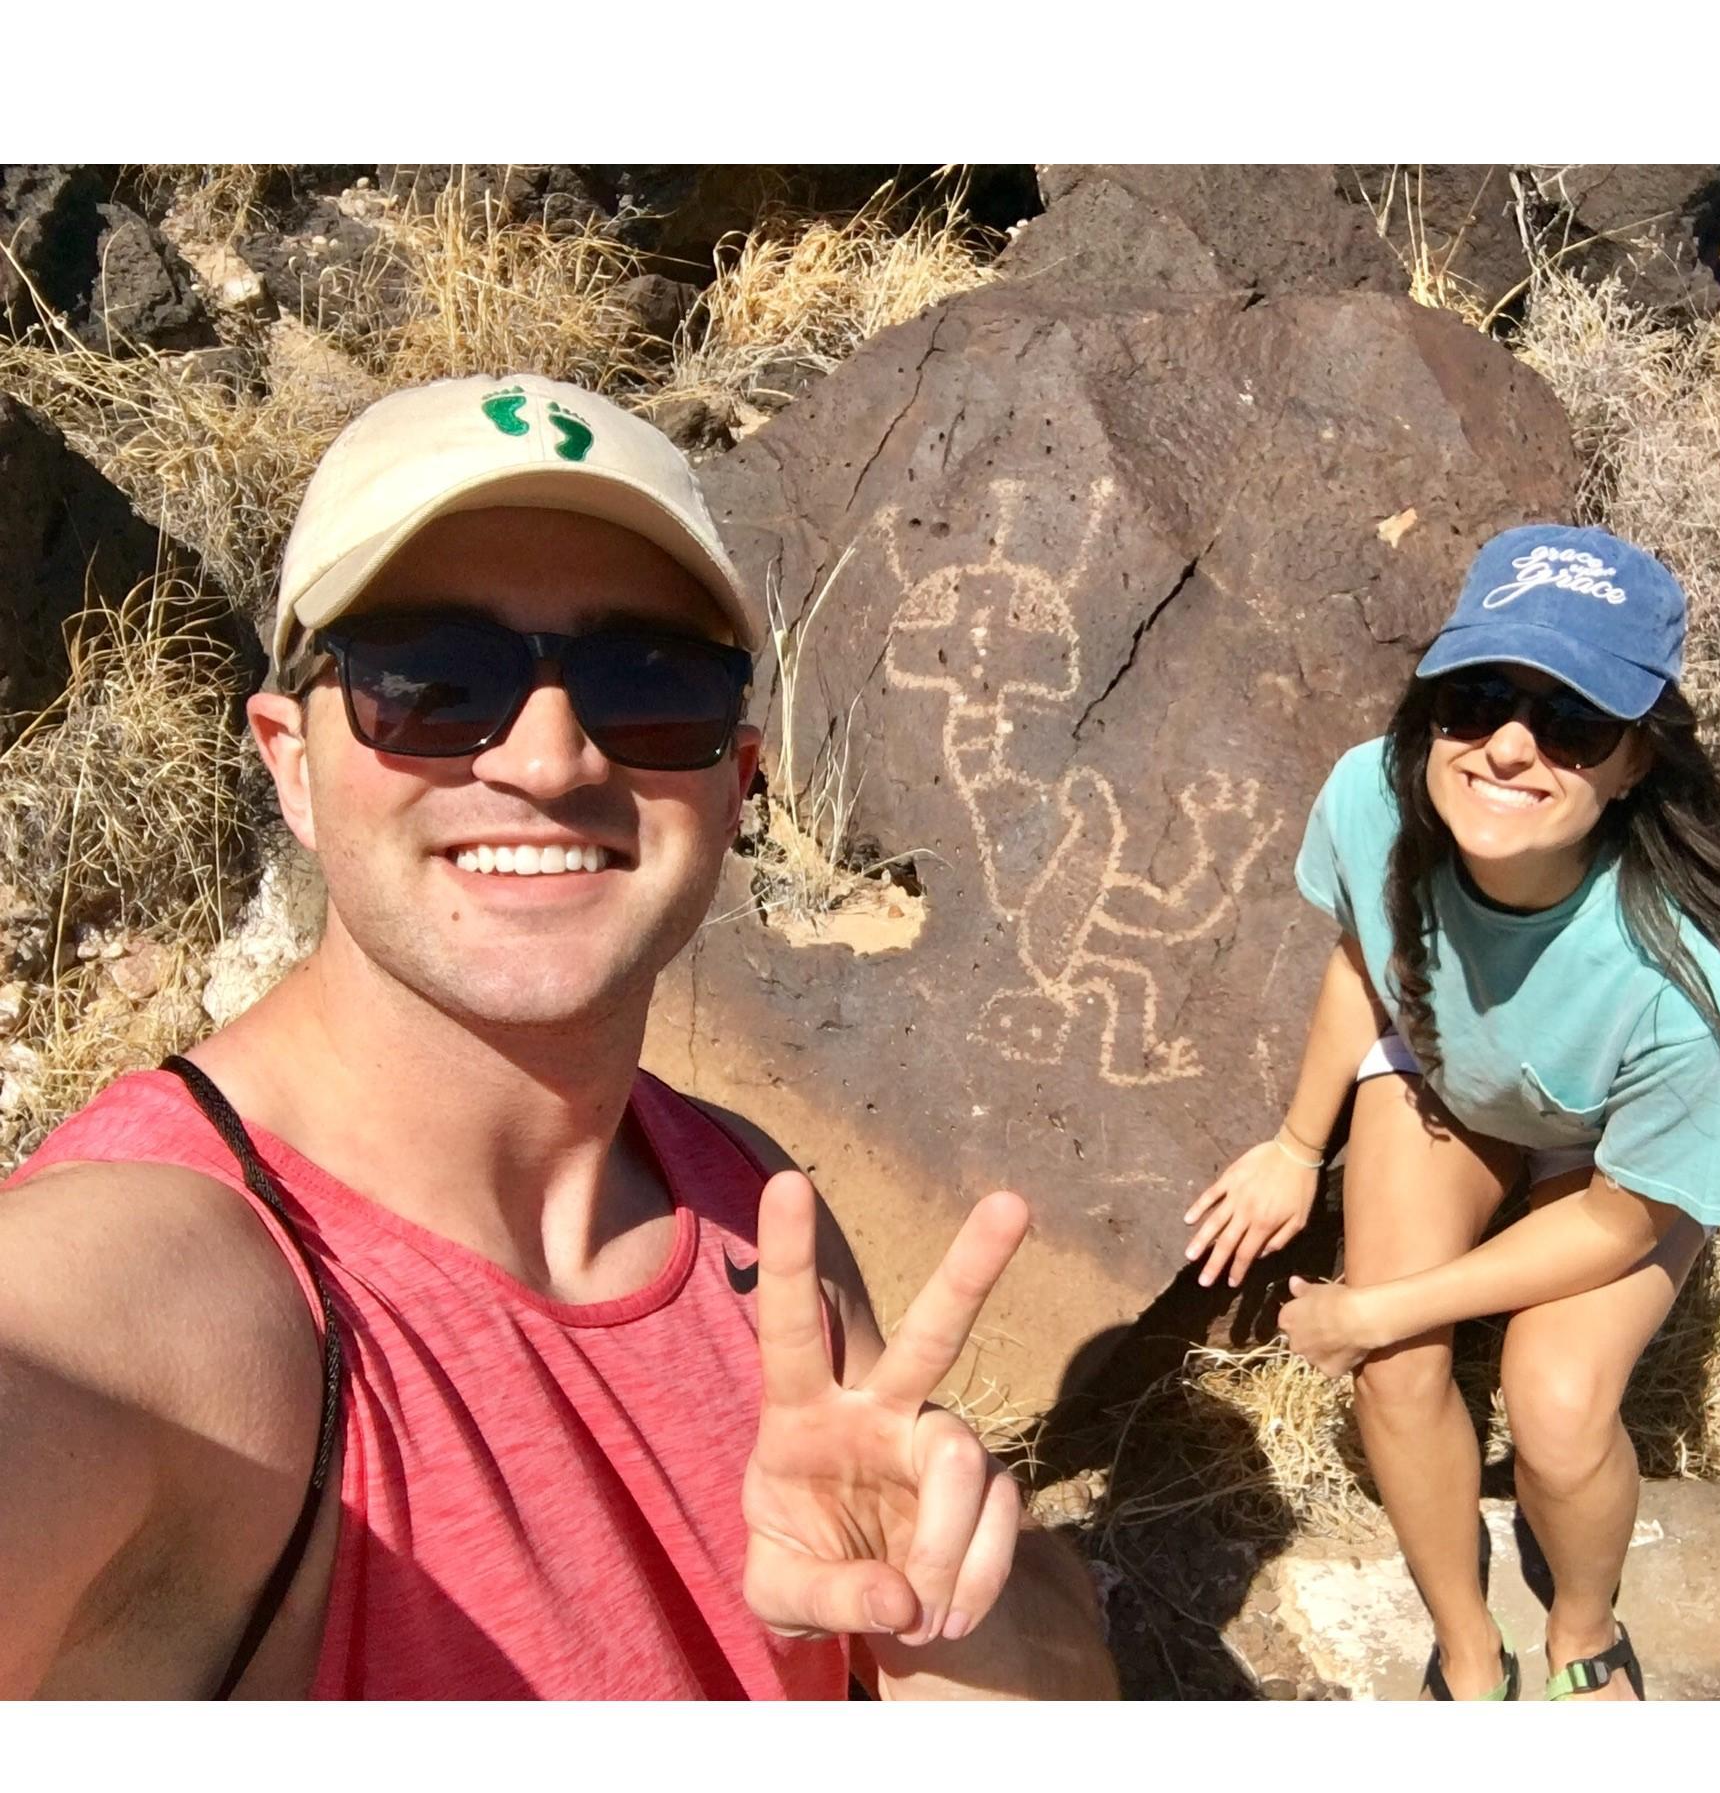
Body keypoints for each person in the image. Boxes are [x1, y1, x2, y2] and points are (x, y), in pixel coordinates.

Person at [0, 371, 1115, 1701]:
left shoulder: (749, 1209)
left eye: (645, 684)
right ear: (290, 758)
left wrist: (933, 1606)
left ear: (732, 785)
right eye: (432, 678)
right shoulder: (153, 1292)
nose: (548, 757)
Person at [1183, 526, 1720, 1701]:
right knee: (1395, 1370)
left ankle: (1585, 1632)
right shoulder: (1373, 798)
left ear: (1636, 761)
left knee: (1558, 1407)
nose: (1510, 747)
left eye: (1573, 722)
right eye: (1477, 698)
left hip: (1607, 1164)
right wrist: (1294, 1144)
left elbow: (1622, 1222)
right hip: (1453, 1079)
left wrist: (1374, 1303)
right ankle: (1471, 1653)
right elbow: (1367, 958)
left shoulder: (1687, 989)